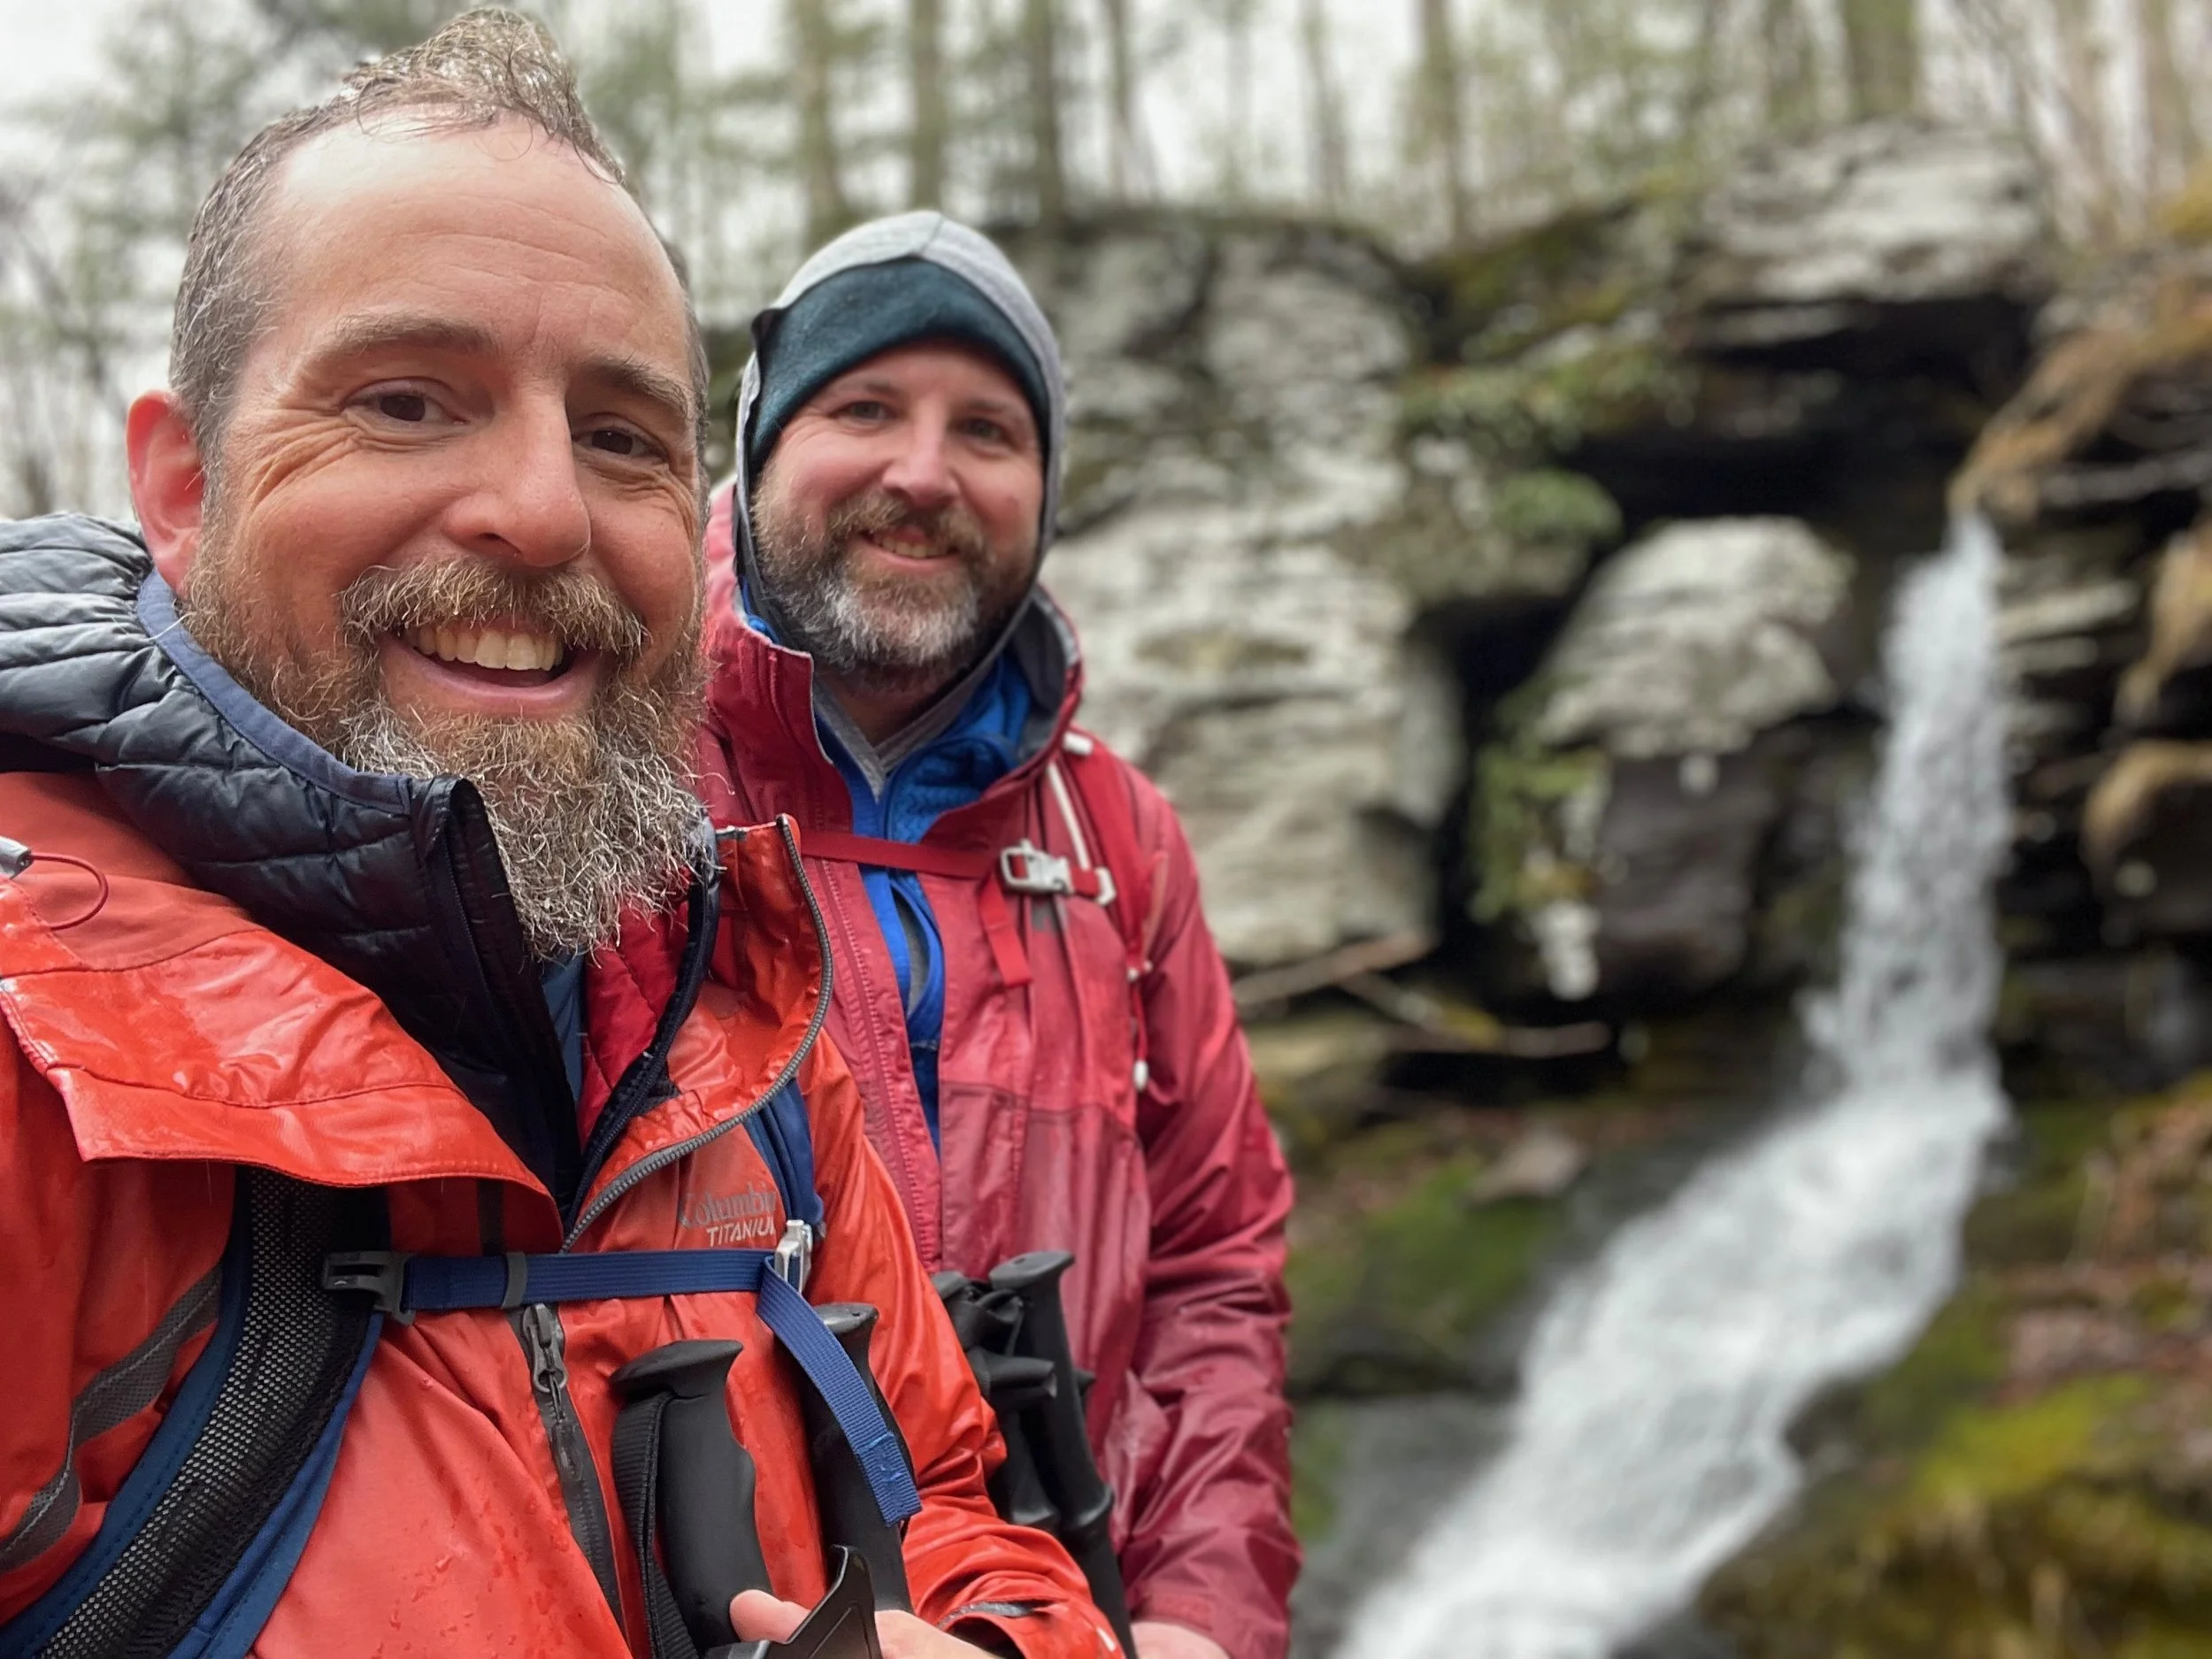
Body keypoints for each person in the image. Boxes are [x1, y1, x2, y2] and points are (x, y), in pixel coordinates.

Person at [0, 15, 1119, 1659]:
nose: (539, 512)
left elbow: (945, 1490)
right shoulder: (34, 1052)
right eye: (405, 401)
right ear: (182, 486)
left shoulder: (731, 1008)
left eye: (619, 437)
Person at [697, 214, 1298, 1659]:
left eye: (986, 429)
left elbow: (1216, 1261)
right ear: (758, 445)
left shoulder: (1117, 837)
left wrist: (1202, 1612)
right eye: (863, 408)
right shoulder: (610, 773)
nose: (924, 472)